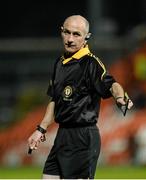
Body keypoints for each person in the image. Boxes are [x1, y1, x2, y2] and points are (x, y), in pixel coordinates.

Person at [28, 15, 133, 179]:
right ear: (61, 32)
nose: (70, 39)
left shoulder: (91, 63)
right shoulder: (59, 63)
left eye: (76, 34)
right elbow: (54, 99)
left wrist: (121, 98)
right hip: (62, 136)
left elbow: (112, 84)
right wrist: (40, 129)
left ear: (86, 37)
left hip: (83, 137)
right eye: (67, 32)